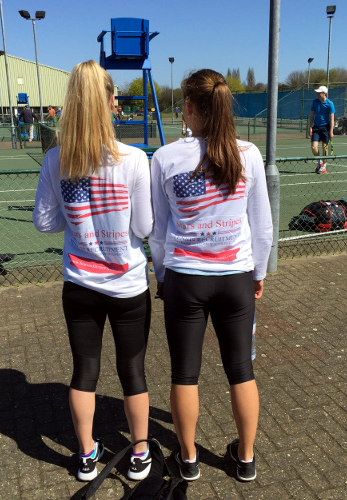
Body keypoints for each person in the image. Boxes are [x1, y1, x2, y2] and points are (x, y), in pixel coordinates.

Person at [149, 69, 273, 483]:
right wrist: (258, 273)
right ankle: (247, 459)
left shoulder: (165, 158)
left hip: (185, 278)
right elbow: (263, 227)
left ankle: (187, 460)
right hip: (236, 277)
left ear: (188, 108)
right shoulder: (249, 154)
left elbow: (158, 230)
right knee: (241, 370)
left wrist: (163, 274)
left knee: (185, 373)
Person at [33, 60, 153, 482]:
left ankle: (86, 456)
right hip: (127, 286)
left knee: (84, 369)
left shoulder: (55, 160)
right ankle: (140, 454)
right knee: (132, 371)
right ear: (111, 101)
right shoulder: (134, 159)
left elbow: (45, 222)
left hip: (80, 284)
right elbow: (144, 227)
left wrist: (78, 215)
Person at [309, 85, 335, 175]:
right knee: (313, 147)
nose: (317, 94)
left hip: (325, 128)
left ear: (324, 94)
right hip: (316, 127)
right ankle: (319, 162)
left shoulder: (330, 104)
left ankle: (324, 167)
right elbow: (312, 116)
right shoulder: (315, 102)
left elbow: (332, 119)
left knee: (324, 147)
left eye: (319, 92)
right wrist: (310, 127)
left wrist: (331, 131)